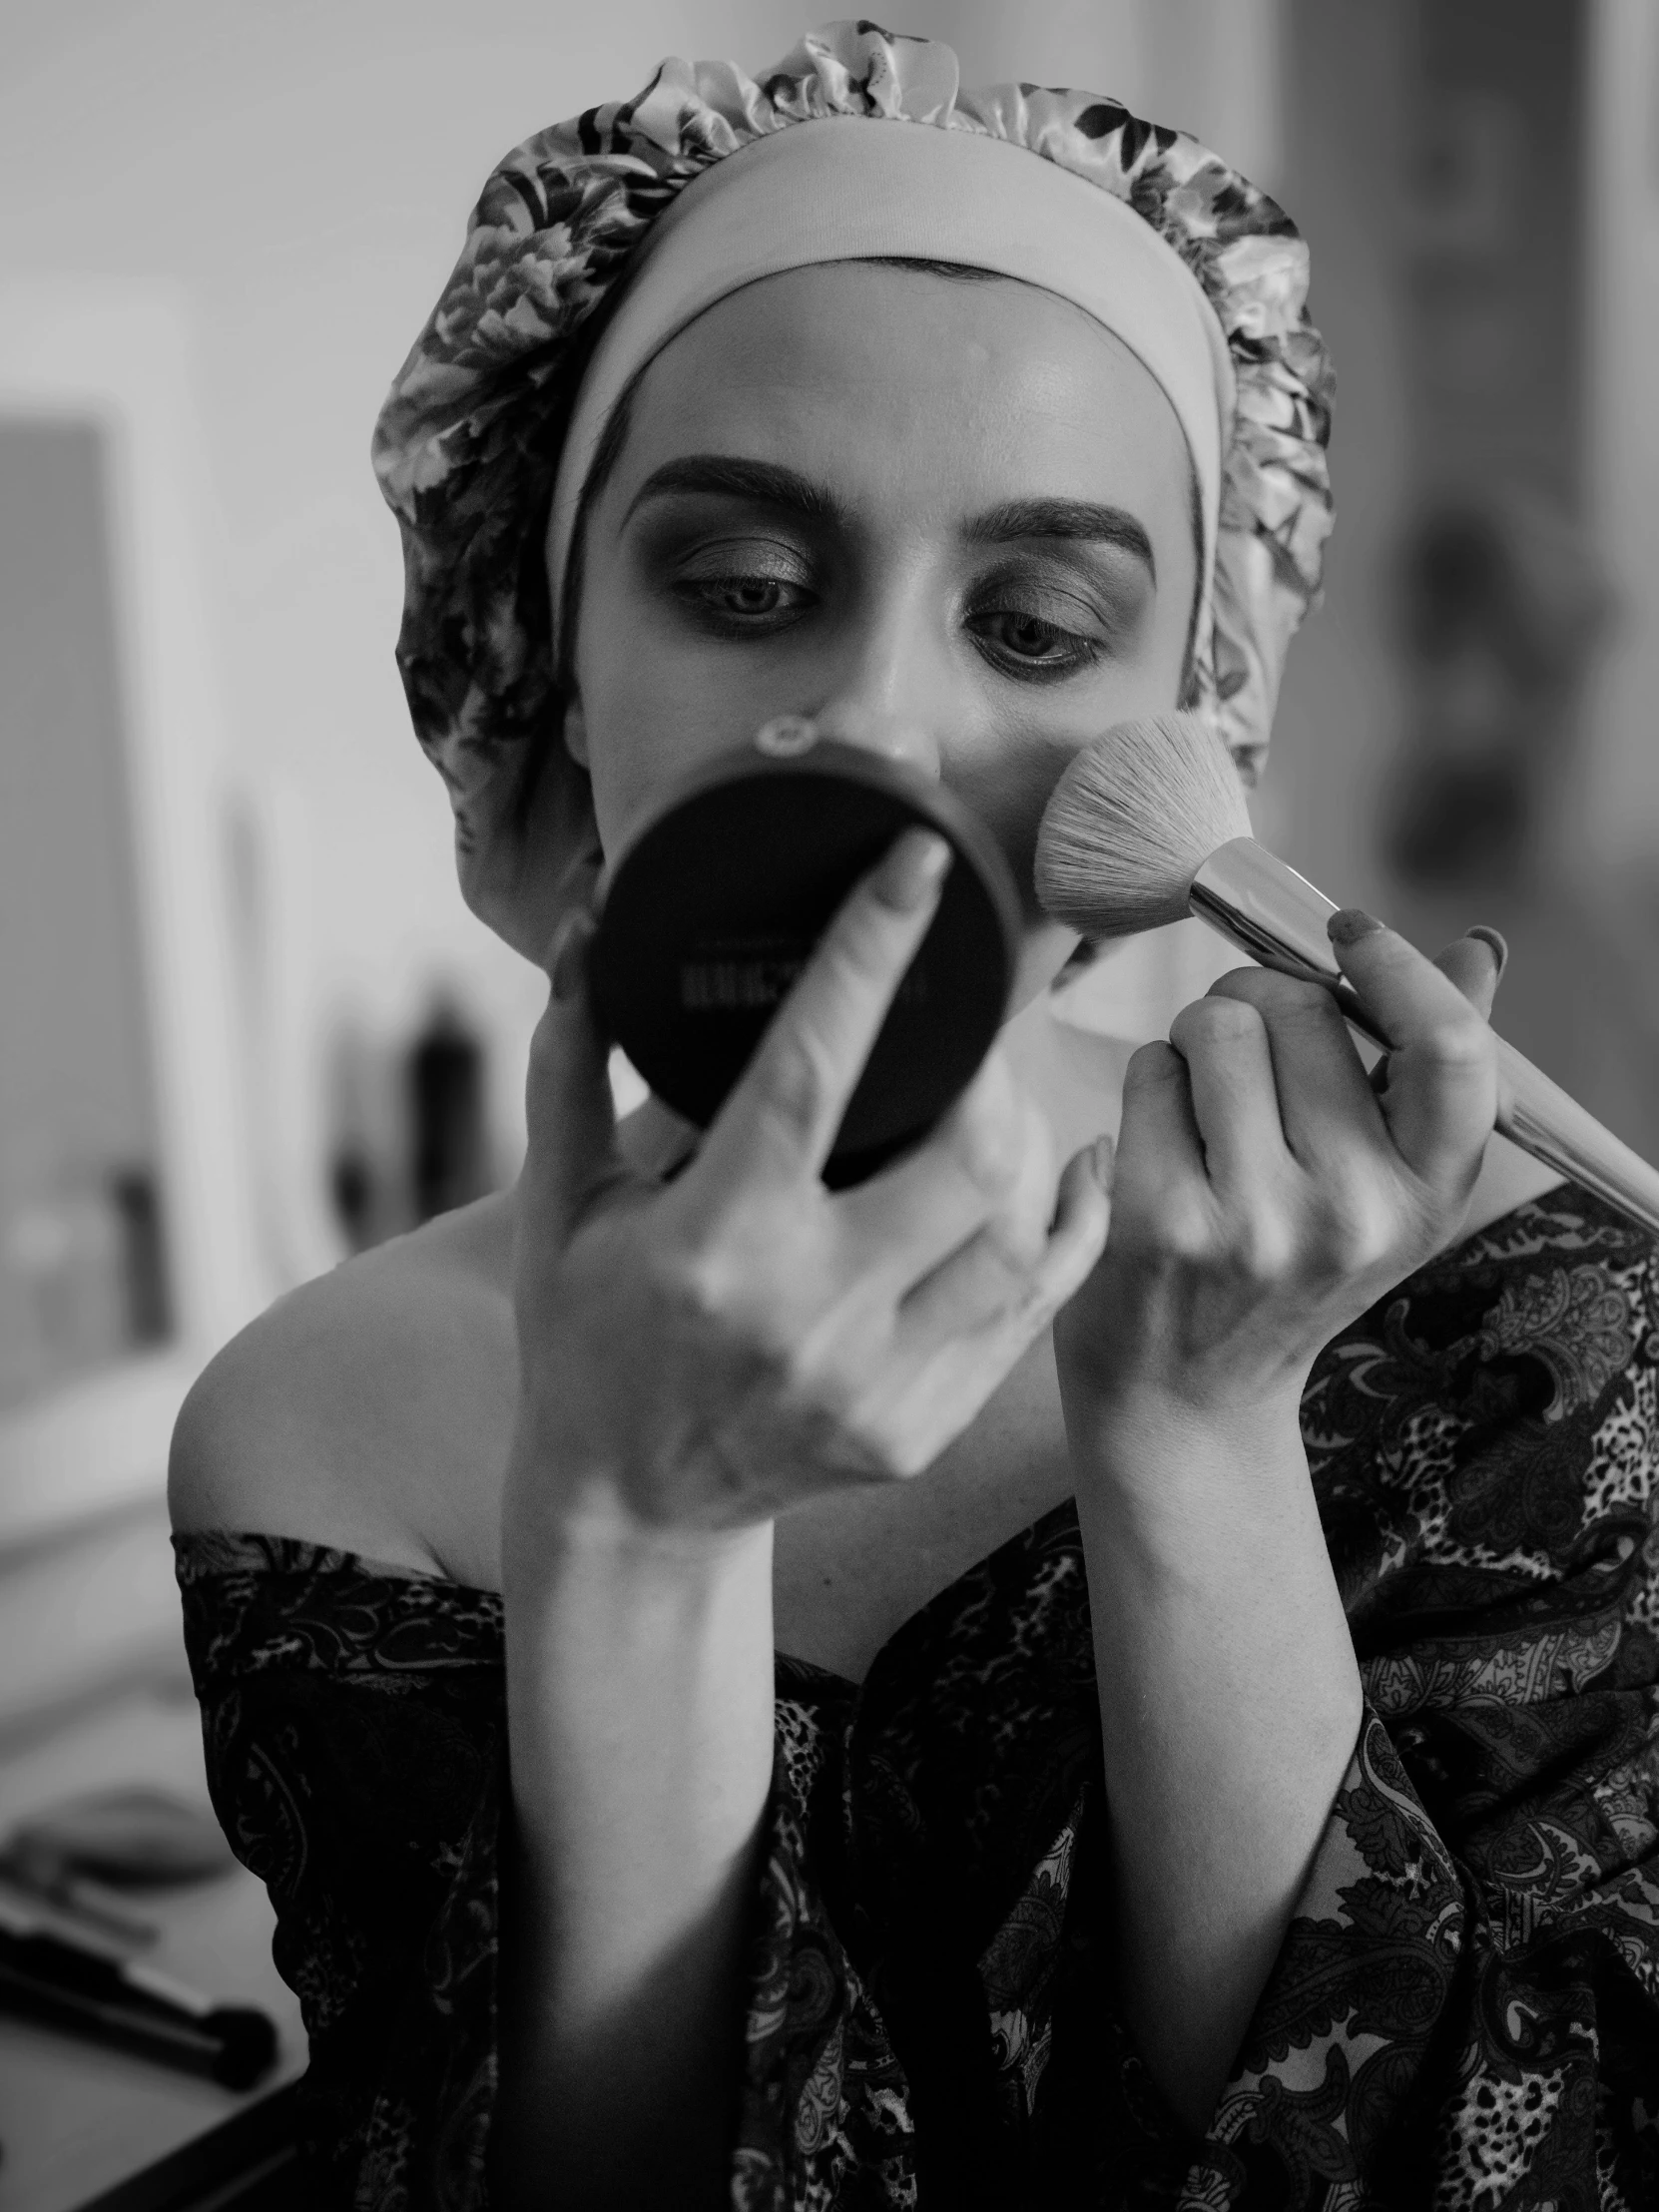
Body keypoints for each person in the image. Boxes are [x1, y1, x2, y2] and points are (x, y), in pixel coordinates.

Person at [168, 22, 1659, 2208]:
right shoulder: (324, 1437)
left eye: (1039, 623)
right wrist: (629, 1533)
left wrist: (1199, 1425)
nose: (872, 716)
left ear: (1192, 716)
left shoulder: (1519, 1326)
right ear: (548, 652)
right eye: (746, 587)